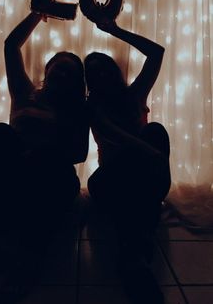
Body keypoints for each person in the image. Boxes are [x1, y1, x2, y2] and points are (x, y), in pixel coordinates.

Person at [0, 12, 89, 296]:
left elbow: (78, 154)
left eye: (70, 73)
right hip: (17, 172)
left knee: (45, 163)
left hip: (54, 178)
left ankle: (29, 257)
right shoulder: (25, 94)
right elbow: (10, 46)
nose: (62, 74)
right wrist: (38, 12)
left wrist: (43, 148)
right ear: (47, 69)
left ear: (76, 84)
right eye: (59, 67)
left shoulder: (77, 111)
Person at [84, 17, 171, 303]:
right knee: (138, 150)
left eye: (105, 70)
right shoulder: (92, 107)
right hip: (110, 181)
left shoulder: (135, 95)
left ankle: (132, 253)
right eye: (93, 74)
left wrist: (115, 30)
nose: (101, 77)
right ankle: (136, 252)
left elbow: (156, 53)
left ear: (114, 71)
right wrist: (146, 152)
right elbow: (117, 137)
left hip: (142, 178)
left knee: (156, 131)